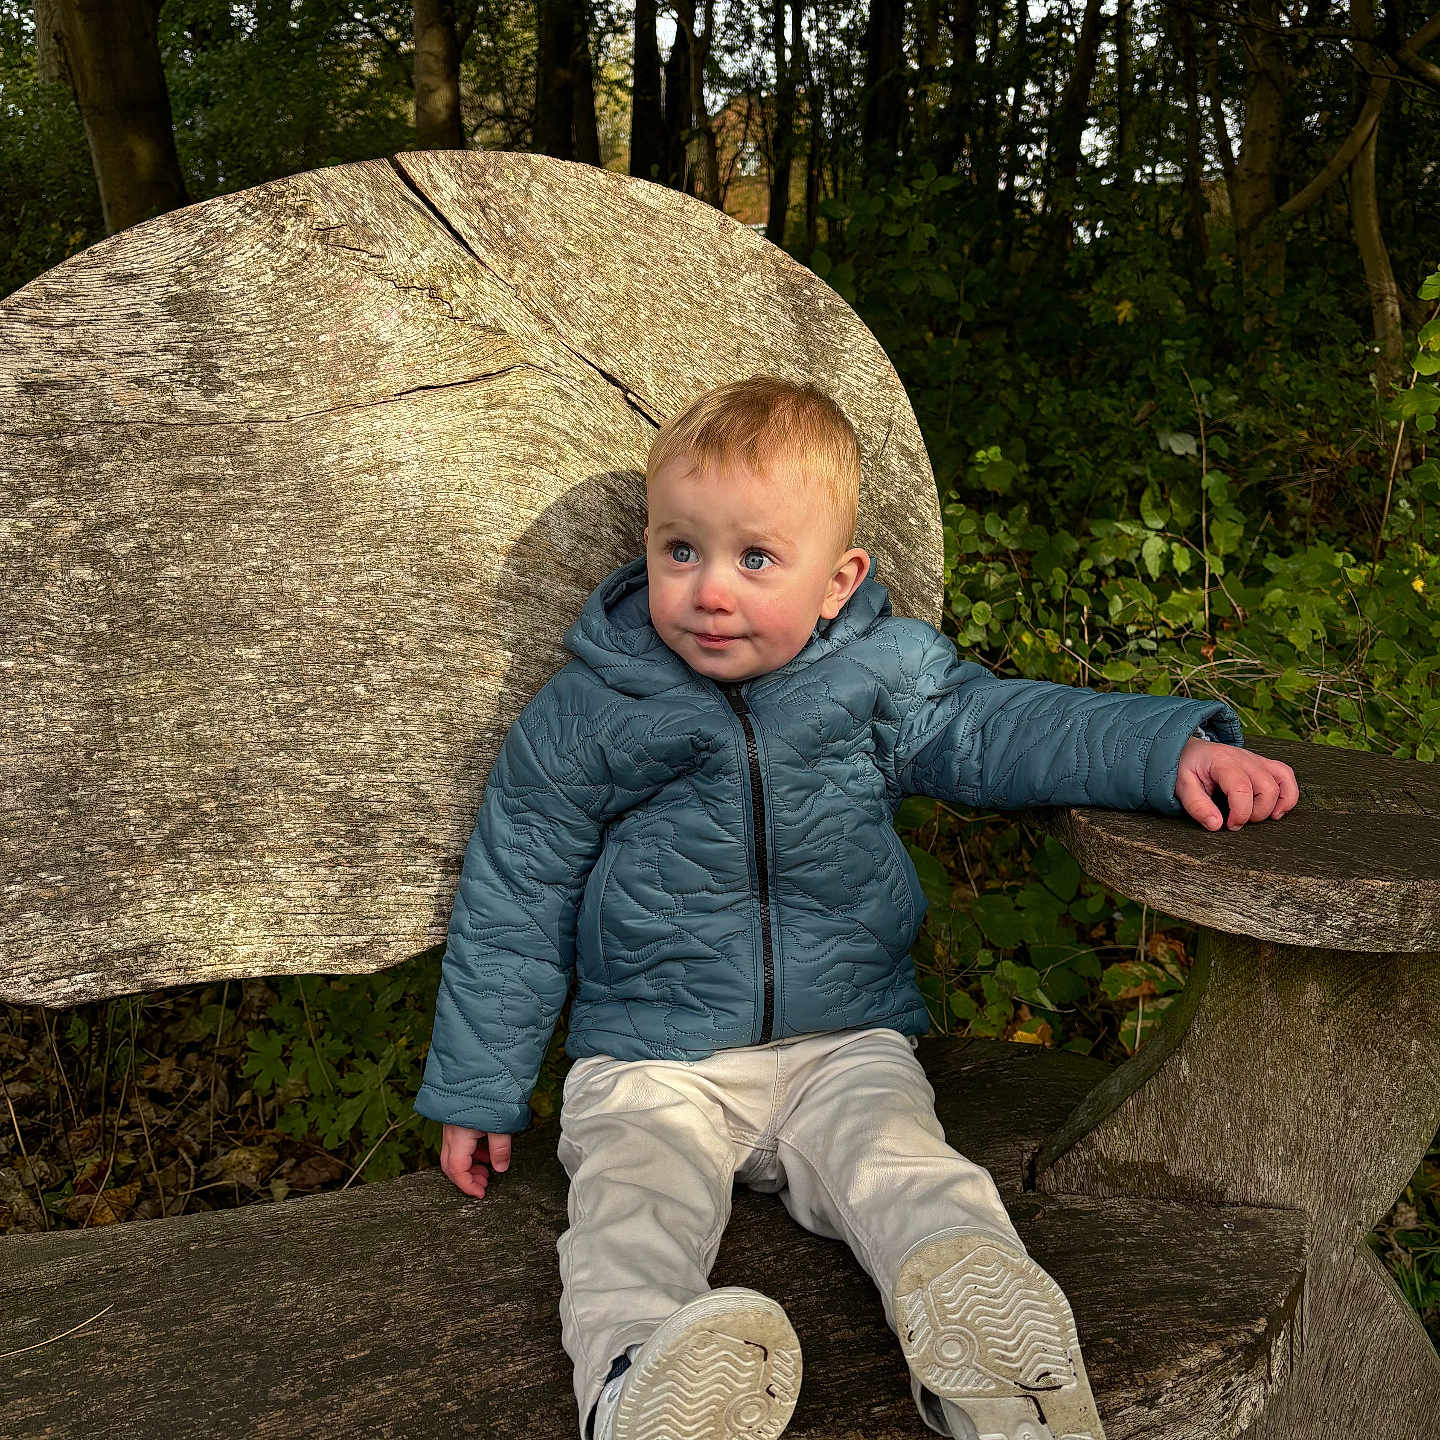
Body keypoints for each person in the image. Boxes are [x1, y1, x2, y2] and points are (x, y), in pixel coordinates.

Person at [413, 376, 1299, 1440]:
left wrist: (1170, 750)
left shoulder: (881, 681)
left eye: (755, 559)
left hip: (844, 1041)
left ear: (839, 583)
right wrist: (481, 1085)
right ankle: (644, 1381)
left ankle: (997, 1357)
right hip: (654, 1056)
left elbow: (1010, 729)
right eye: (679, 550)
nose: (708, 590)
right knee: (626, 1210)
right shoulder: (590, 711)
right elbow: (518, 888)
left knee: (913, 1174)